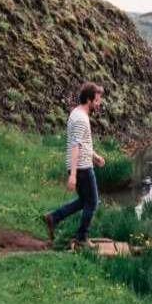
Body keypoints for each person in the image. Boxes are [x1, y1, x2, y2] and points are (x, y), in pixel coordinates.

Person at [43, 82, 106, 246]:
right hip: (82, 167)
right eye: (97, 100)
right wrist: (73, 175)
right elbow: (75, 146)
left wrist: (95, 156)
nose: (99, 104)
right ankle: (81, 238)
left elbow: (82, 143)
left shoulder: (77, 113)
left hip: (83, 164)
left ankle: (53, 217)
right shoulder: (81, 119)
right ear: (89, 100)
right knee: (92, 202)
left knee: (84, 201)